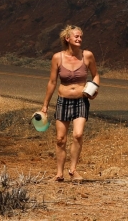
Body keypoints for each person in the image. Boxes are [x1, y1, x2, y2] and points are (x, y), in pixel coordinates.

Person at [40, 24, 100, 181]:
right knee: (60, 139)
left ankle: (73, 170)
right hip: (63, 101)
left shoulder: (87, 56)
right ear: (67, 39)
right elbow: (52, 82)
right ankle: (59, 174)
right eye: (76, 36)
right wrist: (45, 105)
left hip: (81, 100)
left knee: (78, 135)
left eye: (81, 36)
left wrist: (93, 90)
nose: (80, 39)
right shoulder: (57, 58)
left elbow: (95, 76)